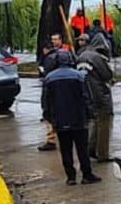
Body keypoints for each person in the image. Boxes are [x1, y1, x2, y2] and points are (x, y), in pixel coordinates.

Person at [41, 50, 100, 185]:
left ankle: (71, 177)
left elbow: (45, 101)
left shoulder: (49, 78)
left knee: (65, 149)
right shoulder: (79, 76)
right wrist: (90, 113)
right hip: (78, 119)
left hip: (60, 121)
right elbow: (86, 97)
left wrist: (49, 117)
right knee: (82, 148)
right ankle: (87, 174)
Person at [76, 34, 114, 163]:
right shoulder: (97, 58)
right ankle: (103, 154)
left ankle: (90, 149)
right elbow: (107, 75)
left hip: (85, 94)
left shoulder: (81, 56)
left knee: (94, 122)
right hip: (99, 94)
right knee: (103, 123)